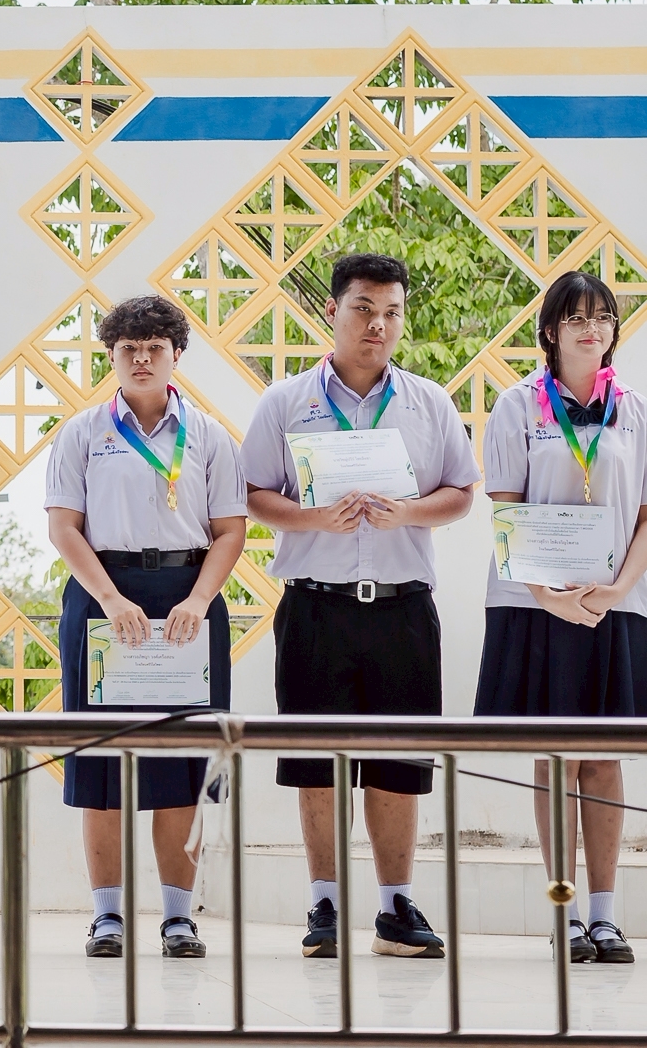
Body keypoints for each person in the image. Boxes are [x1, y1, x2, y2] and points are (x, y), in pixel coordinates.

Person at [241, 251, 478, 959]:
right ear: (332, 311)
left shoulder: (429, 402)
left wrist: (409, 511)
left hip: (404, 608)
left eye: (392, 312)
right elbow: (254, 494)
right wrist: (315, 519)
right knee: (317, 762)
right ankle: (325, 902)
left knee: (398, 760)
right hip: (316, 607)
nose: (379, 324)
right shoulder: (285, 402)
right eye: (364, 309)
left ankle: (394, 907)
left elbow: (461, 492)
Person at [44, 294, 248, 961]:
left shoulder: (210, 436)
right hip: (105, 600)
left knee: (182, 766)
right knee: (103, 763)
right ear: (111, 355)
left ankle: (179, 919)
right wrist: (108, 597)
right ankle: (106, 917)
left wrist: (199, 598)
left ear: (175, 355)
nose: (140, 358)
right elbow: (64, 527)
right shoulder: (82, 433)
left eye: (154, 347)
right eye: (128, 348)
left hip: (189, 600)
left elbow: (230, 530)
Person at [475, 271, 647, 964]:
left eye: (602, 317)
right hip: (535, 603)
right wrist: (550, 595)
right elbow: (506, 511)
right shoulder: (518, 405)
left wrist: (616, 588)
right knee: (555, 756)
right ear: (549, 330)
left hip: (613, 604)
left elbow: (645, 516)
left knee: (602, 757)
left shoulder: (634, 410)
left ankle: (605, 917)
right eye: (575, 317)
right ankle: (564, 912)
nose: (590, 328)